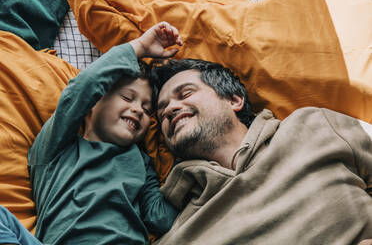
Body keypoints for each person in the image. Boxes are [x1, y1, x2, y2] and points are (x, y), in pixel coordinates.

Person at [150, 59, 372, 245]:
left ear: (234, 100)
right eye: (161, 114)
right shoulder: (179, 231)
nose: (169, 109)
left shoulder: (312, 126)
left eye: (185, 93)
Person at [0, 21, 182, 245]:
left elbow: (160, 217)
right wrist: (138, 47)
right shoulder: (57, 148)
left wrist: (188, 164)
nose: (138, 110)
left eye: (146, 109)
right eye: (127, 98)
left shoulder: (141, 161)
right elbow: (82, 88)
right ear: (93, 102)